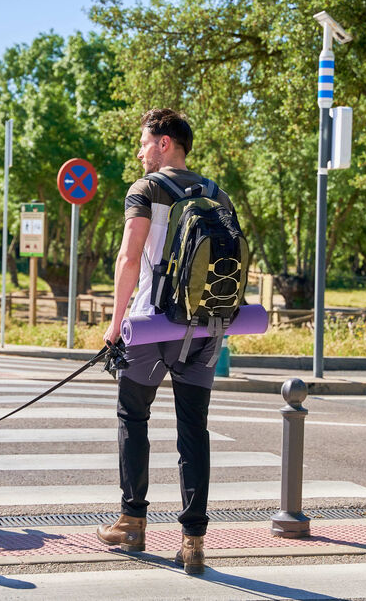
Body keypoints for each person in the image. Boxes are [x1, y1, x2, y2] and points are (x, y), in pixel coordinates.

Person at [97, 108, 235, 575]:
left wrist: (116, 324)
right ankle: (193, 541)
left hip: (152, 324)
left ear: (164, 142)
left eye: (144, 142)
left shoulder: (147, 189)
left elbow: (128, 257)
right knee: (193, 430)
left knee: (133, 415)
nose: (139, 151)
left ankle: (132, 521)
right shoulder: (219, 195)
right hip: (206, 329)